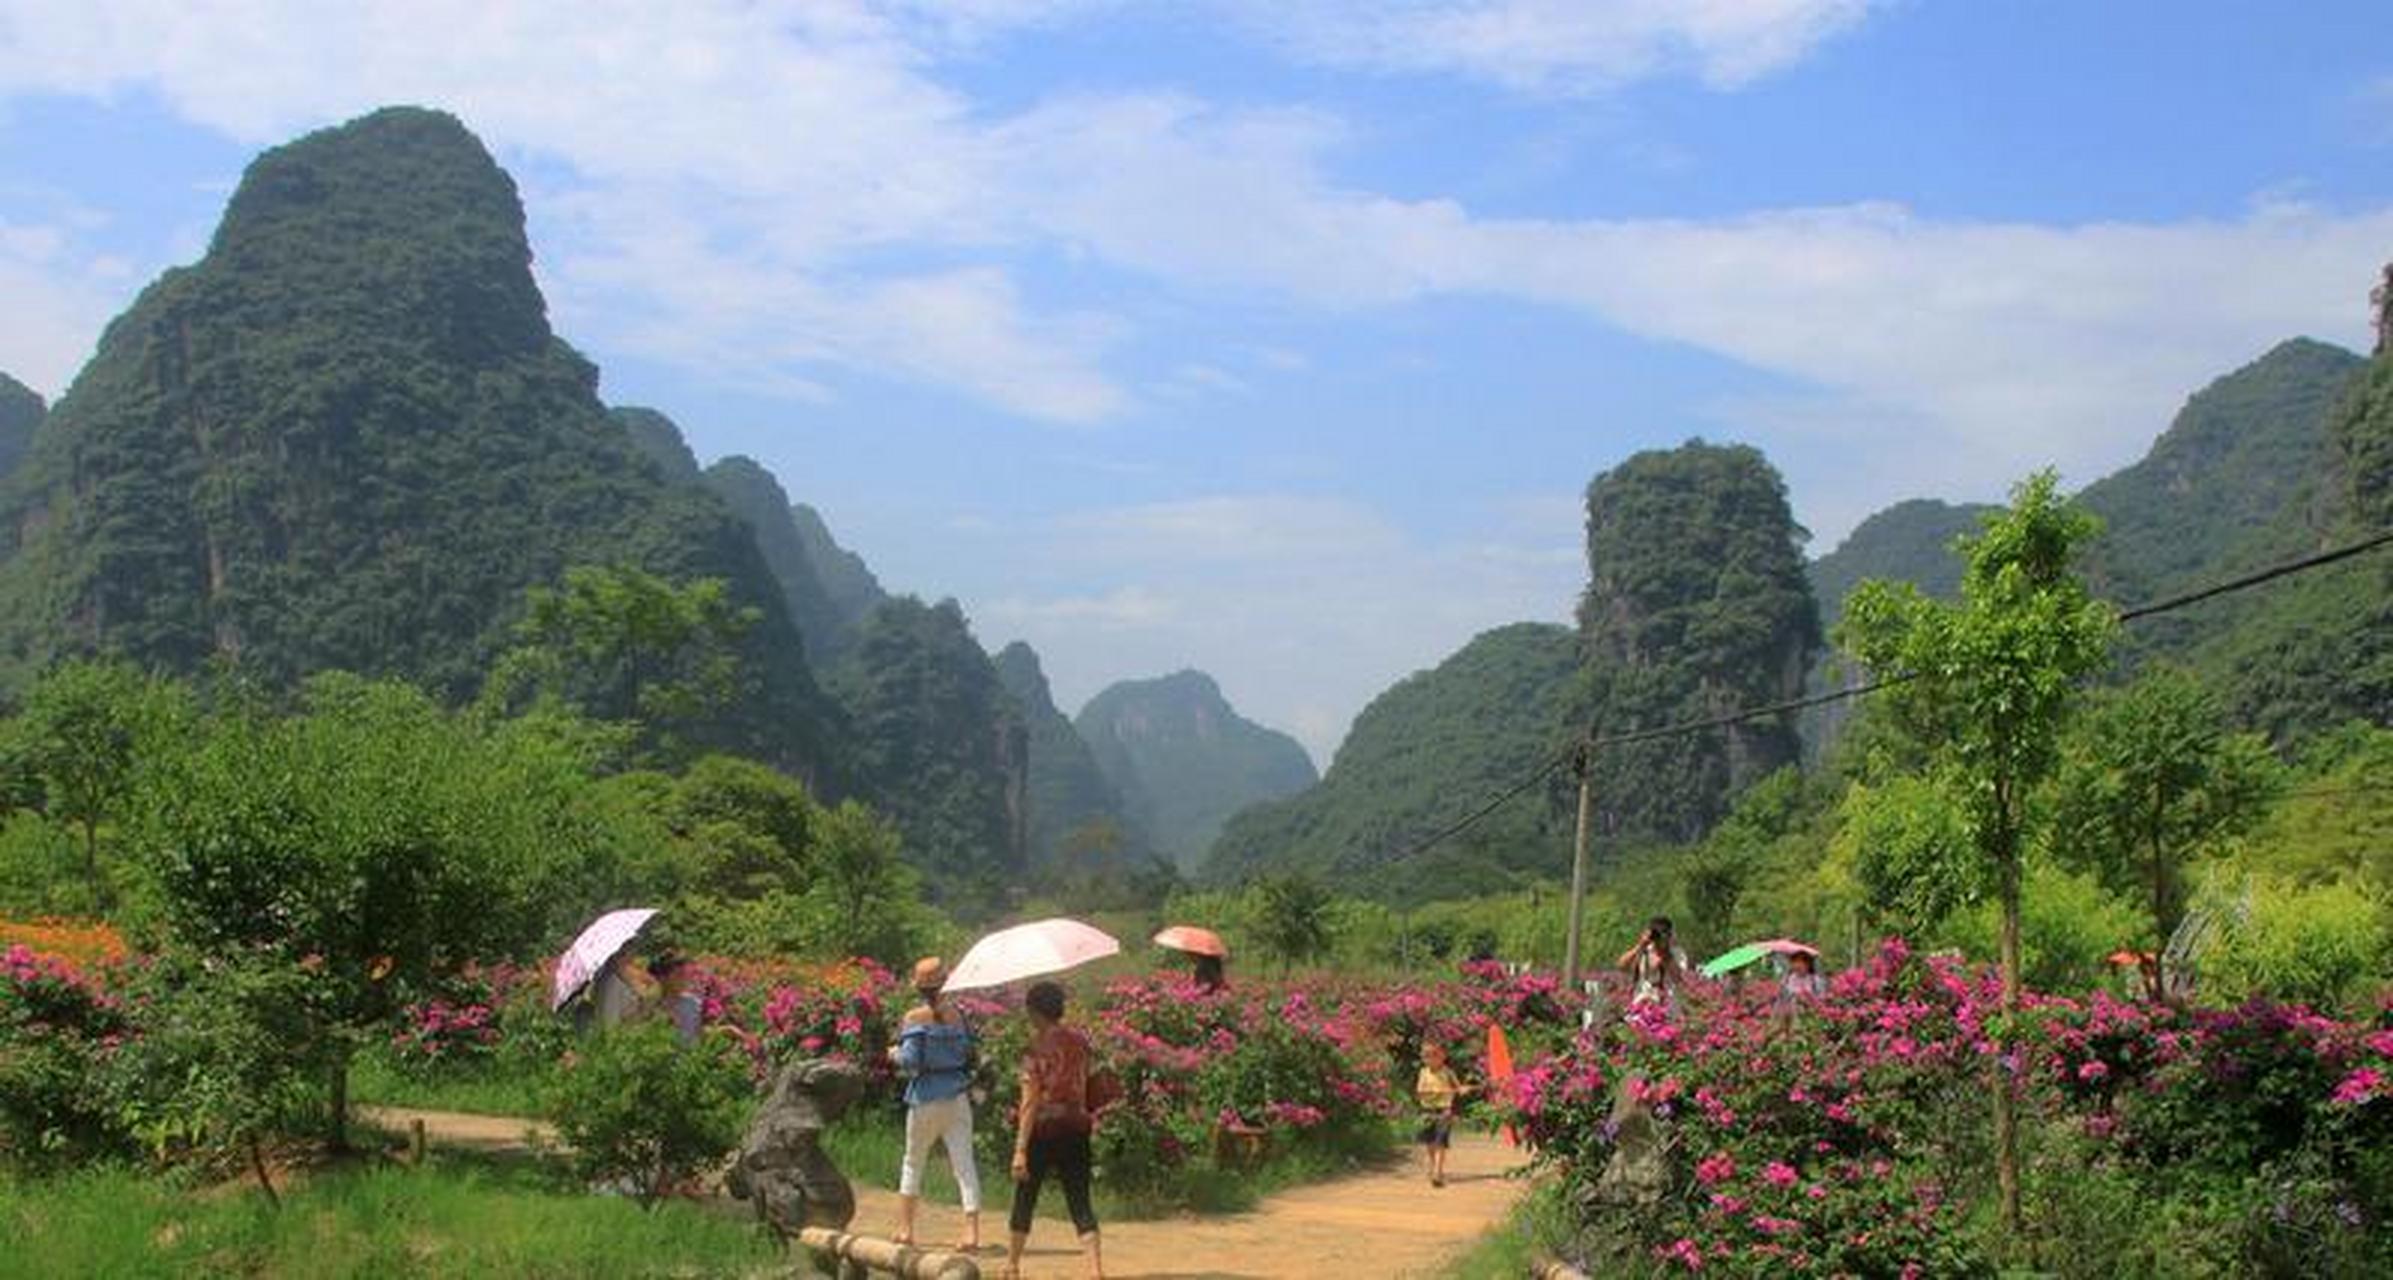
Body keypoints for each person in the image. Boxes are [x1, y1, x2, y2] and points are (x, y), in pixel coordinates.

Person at [1006, 981, 1102, 1280]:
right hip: (1076, 1127)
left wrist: (1020, 1149)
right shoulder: (1081, 1042)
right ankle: (1095, 1270)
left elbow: (1030, 1101)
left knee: (1025, 1197)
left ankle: (1011, 1266)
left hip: (1043, 1130)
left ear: (1035, 1011)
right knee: (1080, 1200)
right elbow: (1088, 1082)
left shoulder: (1034, 1049)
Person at [891, 957, 981, 1253]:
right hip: (957, 1094)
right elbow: (969, 1051)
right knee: (963, 1163)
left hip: (925, 1096)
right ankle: (971, 1232)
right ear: (945, 984)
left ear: (918, 988)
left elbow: (910, 1061)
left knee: (913, 1161)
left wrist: (893, 1053)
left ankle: (905, 1229)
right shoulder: (959, 1015)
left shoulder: (914, 1018)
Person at [1414, 1042, 1475, 1187]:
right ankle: (1432, 1165)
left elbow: (1458, 1088)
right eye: (1427, 1056)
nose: (1431, 1059)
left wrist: (1462, 1090)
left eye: (1435, 1055)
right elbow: (1419, 1091)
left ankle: (1437, 1172)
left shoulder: (1448, 1072)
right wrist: (1431, 1093)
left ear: (1443, 1056)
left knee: (1441, 1141)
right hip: (1427, 1111)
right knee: (1429, 1142)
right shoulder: (1423, 1072)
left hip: (1444, 1111)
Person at [1618, 916, 1688, 1013]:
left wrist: (1666, 955)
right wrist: (1640, 945)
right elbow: (1621, 966)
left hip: (1668, 1007)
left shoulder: (1677, 954)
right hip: (1641, 1003)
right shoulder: (1644, 950)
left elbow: (1678, 978)